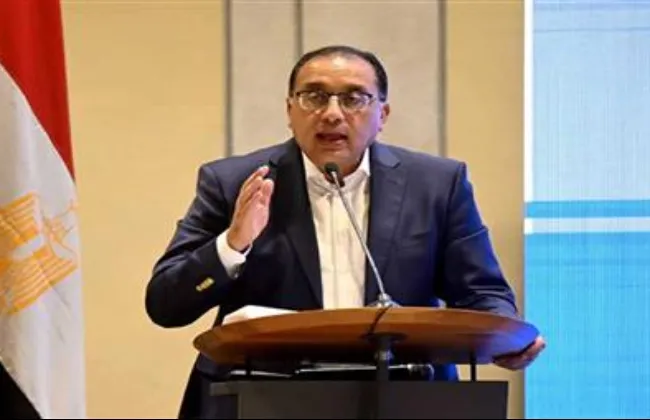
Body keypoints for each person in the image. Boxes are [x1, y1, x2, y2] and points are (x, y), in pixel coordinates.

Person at [145, 44, 546, 419]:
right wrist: (233, 244)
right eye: (314, 96)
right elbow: (165, 304)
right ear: (289, 110)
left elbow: (482, 292)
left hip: (405, 398)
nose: (332, 113)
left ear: (383, 115)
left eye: (354, 98)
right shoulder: (234, 183)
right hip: (263, 400)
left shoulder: (437, 184)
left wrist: (508, 337)